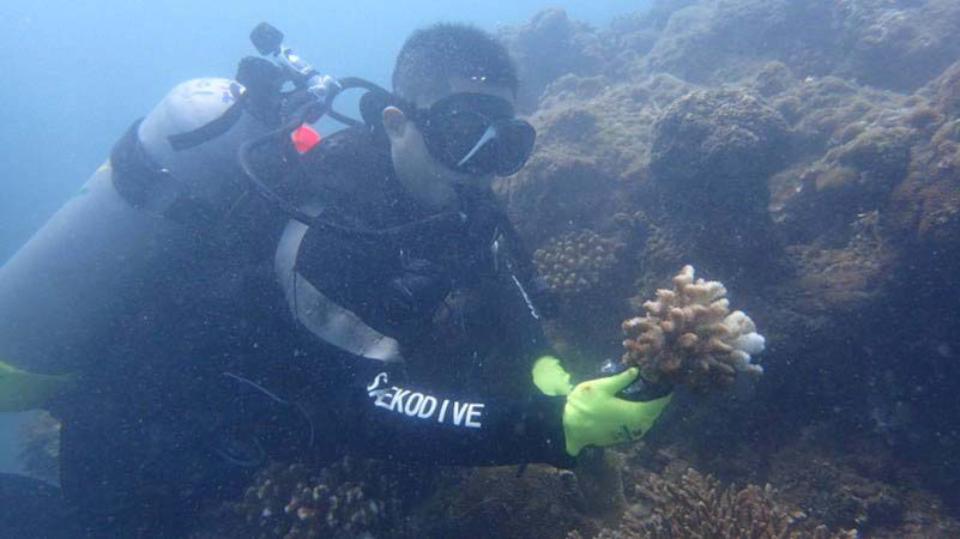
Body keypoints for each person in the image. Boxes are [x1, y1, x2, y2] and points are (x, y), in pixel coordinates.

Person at [0, 23, 671, 537]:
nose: (483, 164)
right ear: (396, 123)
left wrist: (548, 371)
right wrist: (551, 428)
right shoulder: (328, 221)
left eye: (505, 142)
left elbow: (504, 283)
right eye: (464, 132)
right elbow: (366, 406)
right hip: (144, 448)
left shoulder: (462, 199)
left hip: (256, 443)